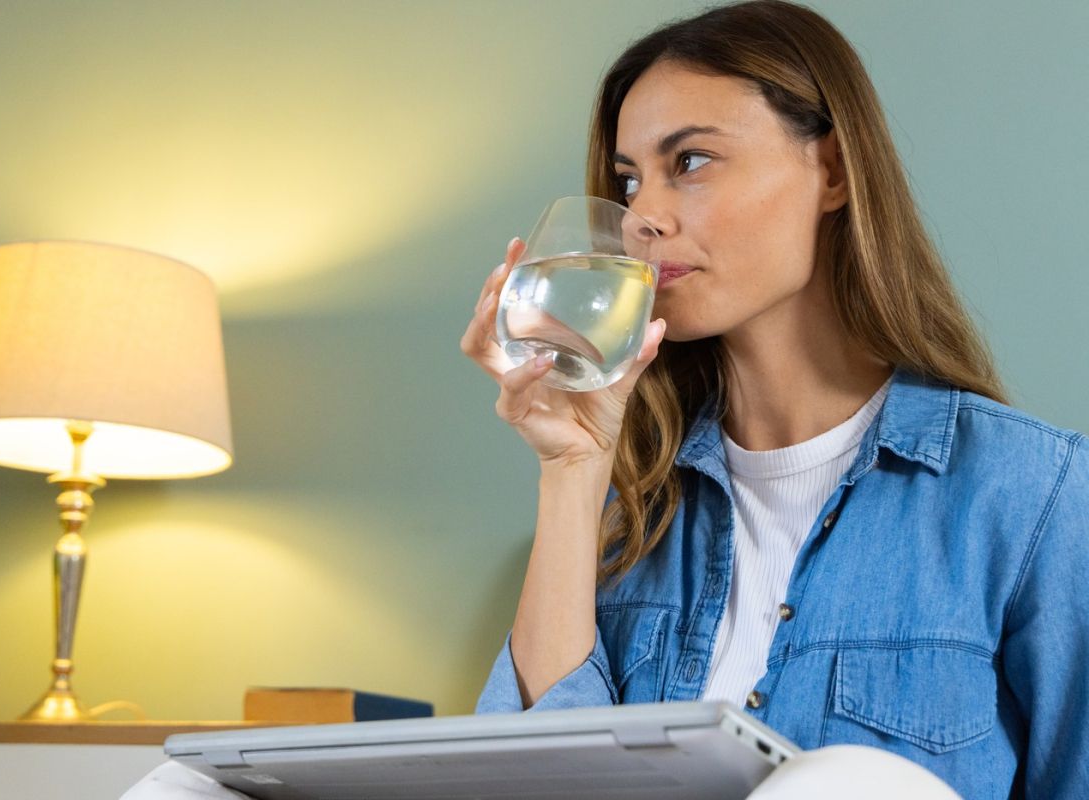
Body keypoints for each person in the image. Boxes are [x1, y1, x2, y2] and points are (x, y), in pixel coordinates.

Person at [462, 1, 1089, 799]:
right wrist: (572, 469)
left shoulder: (1032, 497)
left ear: (832, 171)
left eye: (690, 161)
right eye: (630, 180)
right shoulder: (636, 514)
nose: (643, 216)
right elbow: (536, 782)